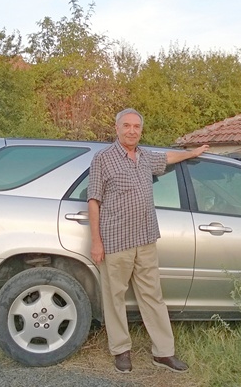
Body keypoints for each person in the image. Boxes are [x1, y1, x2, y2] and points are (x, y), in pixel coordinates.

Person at [87, 108, 208, 373]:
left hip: (145, 239)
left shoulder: (144, 158)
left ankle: (163, 353)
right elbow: (93, 200)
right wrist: (96, 241)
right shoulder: (103, 159)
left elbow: (168, 157)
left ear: (141, 130)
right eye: (127, 126)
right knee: (114, 298)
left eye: (136, 127)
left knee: (153, 296)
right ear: (117, 128)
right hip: (115, 241)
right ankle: (121, 350)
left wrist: (192, 153)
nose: (132, 131)